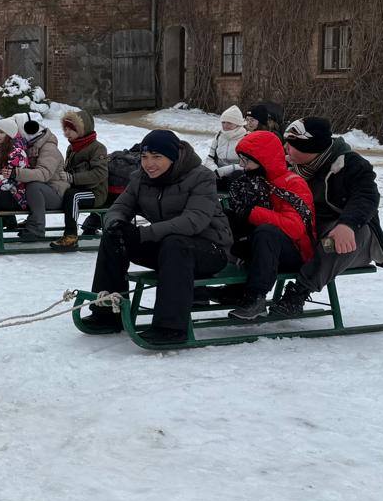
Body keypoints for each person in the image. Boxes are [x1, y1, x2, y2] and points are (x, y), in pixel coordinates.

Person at [82, 130, 232, 347]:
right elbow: (119, 207)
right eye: (144, 157)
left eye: (157, 157)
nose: (149, 164)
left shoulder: (201, 177)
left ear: (173, 157)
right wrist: (116, 225)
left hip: (210, 251)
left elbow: (193, 221)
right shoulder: (140, 179)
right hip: (168, 249)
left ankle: (171, 327)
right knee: (114, 238)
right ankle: (107, 313)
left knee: (175, 243)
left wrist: (143, 233)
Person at [270, 117, 383, 319]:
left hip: (346, 239)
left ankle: (299, 292)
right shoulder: (291, 165)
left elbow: (366, 197)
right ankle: (245, 288)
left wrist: (348, 224)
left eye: (291, 144)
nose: (285, 148)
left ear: (310, 147)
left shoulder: (351, 164)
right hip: (306, 233)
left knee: (335, 241)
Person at [222, 130, 316, 321]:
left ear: (263, 160)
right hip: (263, 251)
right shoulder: (251, 183)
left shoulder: (292, 183)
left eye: (246, 161)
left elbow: (295, 228)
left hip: (296, 252)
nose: (242, 166)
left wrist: (252, 213)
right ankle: (226, 289)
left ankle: (255, 297)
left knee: (266, 232)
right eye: (241, 160)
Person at [51, 109, 110, 250]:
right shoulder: (72, 148)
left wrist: (72, 178)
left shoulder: (97, 148)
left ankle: (71, 236)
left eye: (71, 129)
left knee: (73, 196)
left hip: (95, 192)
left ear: (83, 129)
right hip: (78, 188)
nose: (67, 133)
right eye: (65, 129)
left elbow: (100, 173)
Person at [14, 117, 69, 241]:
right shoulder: (30, 146)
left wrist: (16, 173)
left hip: (56, 194)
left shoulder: (49, 148)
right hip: (42, 193)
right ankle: (9, 220)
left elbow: (43, 174)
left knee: (34, 186)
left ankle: (36, 228)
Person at [207, 106, 247, 183]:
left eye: (229, 123)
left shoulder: (246, 138)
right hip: (217, 173)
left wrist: (224, 171)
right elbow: (210, 158)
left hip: (237, 176)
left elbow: (248, 165)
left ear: (238, 124)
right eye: (223, 122)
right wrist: (214, 170)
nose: (225, 125)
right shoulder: (219, 136)